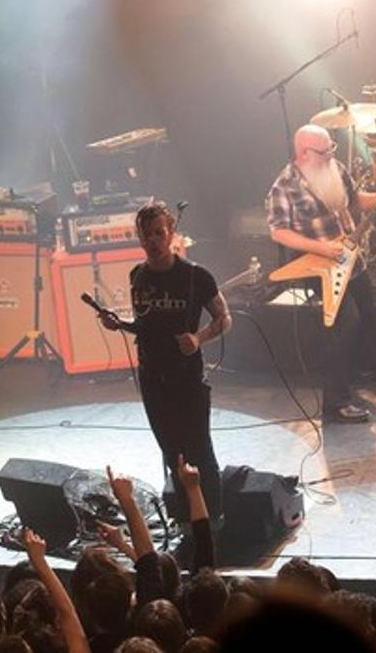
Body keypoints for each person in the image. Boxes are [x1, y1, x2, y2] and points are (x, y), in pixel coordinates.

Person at [97, 202, 231, 524]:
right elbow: (148, 324)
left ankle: (214, 519)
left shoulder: (196, 276)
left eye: (160, 233)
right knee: (171, 451)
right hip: (151, 377)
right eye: (148, 235)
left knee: (199, 450)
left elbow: (224, 318)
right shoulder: (137, 276)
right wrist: (120, 324)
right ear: (139, 238)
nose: (154, 240)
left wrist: (199, 338)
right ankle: (186, 519)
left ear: (171, 233)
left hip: (187, 378)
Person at [265, 124, 376, 423]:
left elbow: (356, 200)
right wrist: (320, 248)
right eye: (323, 152)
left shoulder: (336, 169)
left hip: (351, 260)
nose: (330, 155)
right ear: (304, 153)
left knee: (366, 317)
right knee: (344, 325)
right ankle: (336, 403)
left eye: (332, 148)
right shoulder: (285, 186)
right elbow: (279, 232)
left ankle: (353, 378)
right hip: (318, 266)